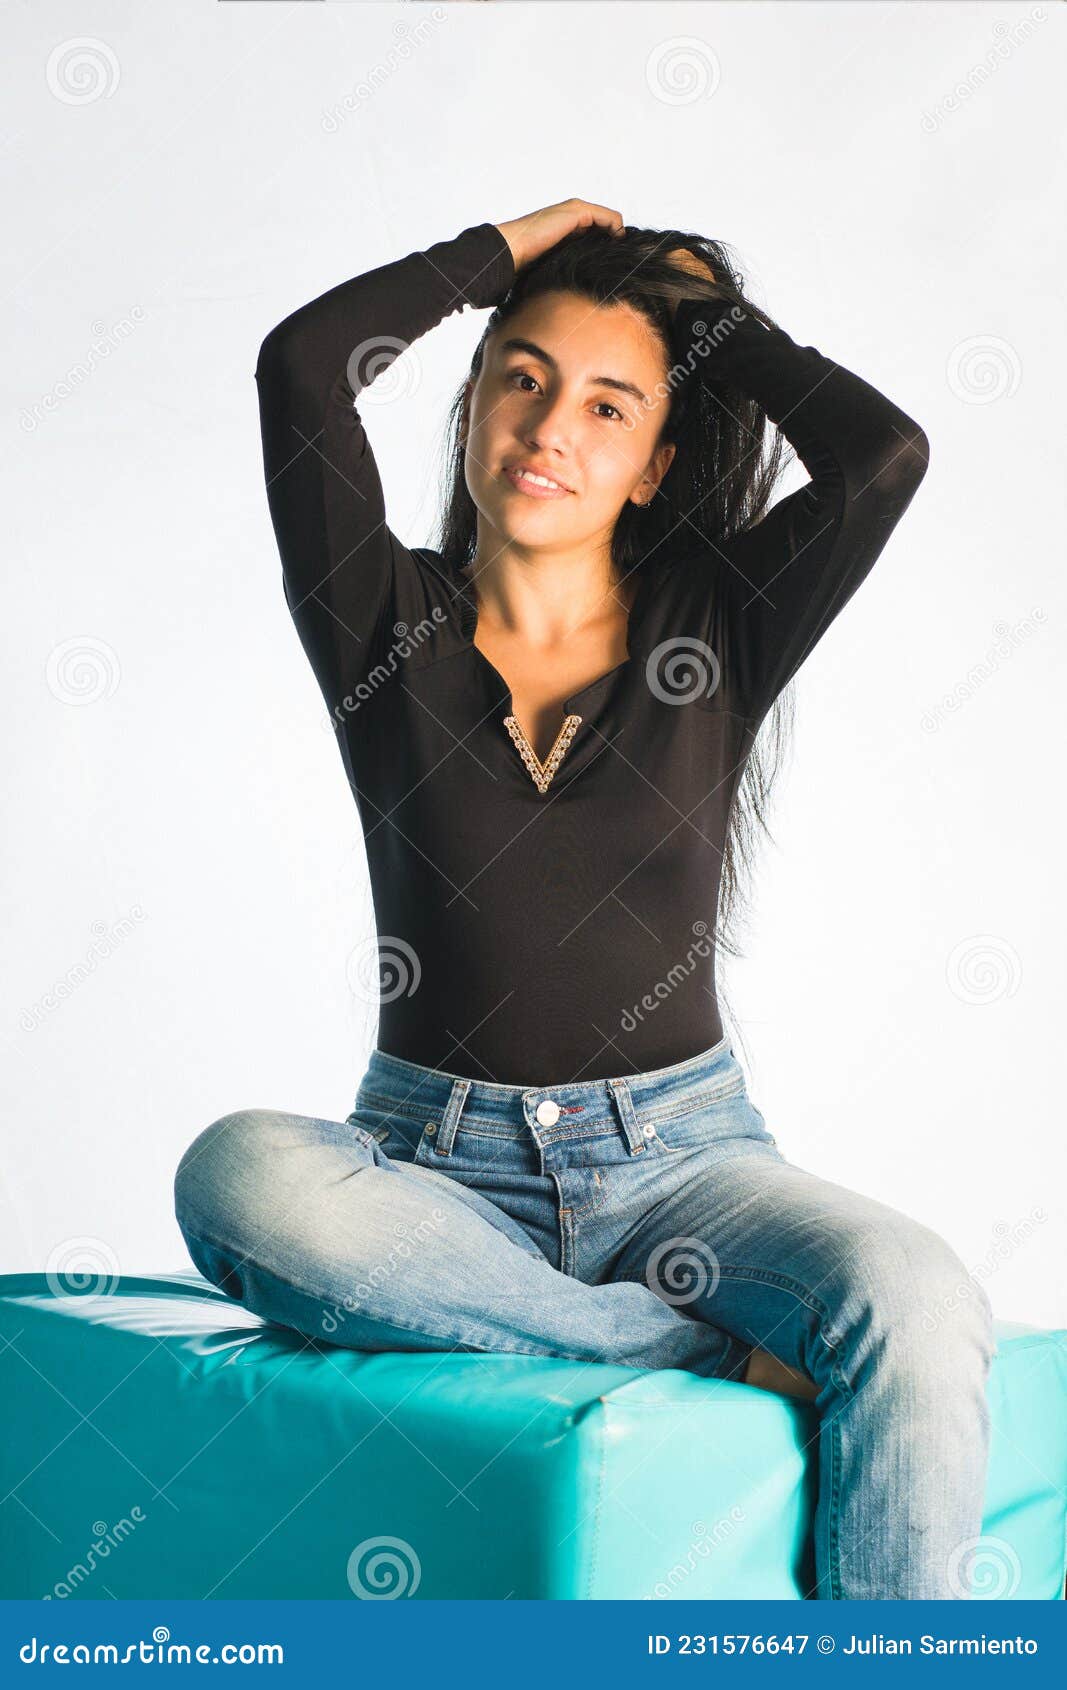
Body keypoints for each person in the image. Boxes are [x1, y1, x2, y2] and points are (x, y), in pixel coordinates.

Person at [174, 199, 995, 1599]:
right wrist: (501, 249)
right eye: (523, 378)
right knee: (237, 1175)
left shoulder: (721, 620)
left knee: (917, 1292)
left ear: (653, 464)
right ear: (476, 406)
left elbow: (882, 457)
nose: (553, 427)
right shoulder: (381, 618)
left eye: (608, 406)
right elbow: (301, 367)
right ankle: (690, 1351)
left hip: (687, 1163)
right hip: (430, 1175)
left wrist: (707, 322)